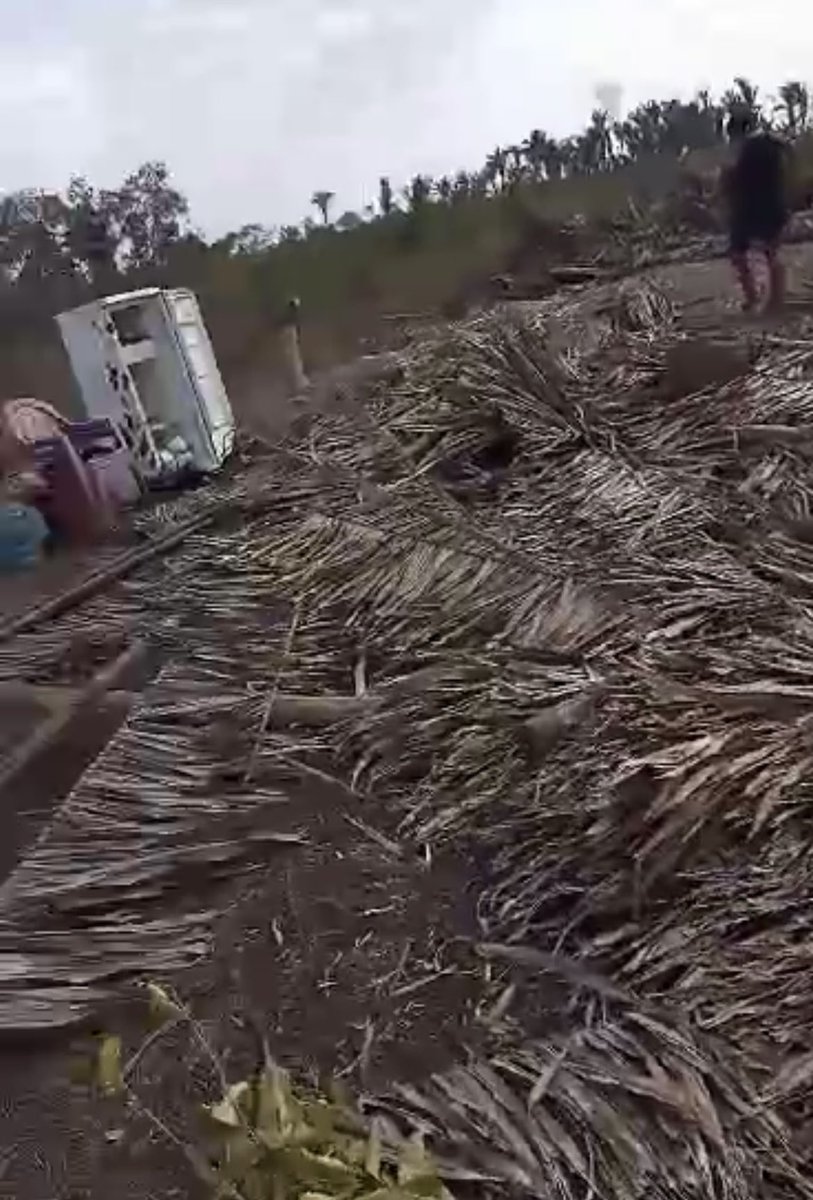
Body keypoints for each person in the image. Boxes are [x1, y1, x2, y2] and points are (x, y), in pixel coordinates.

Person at [723, 112, 790, 312]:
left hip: (749, 207)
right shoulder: (773, 143)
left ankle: (754, 297)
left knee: (739, 253)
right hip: (773, 204)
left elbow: (732, 179)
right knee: (770, 252)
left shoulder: (745, 150)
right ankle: (773, 300)